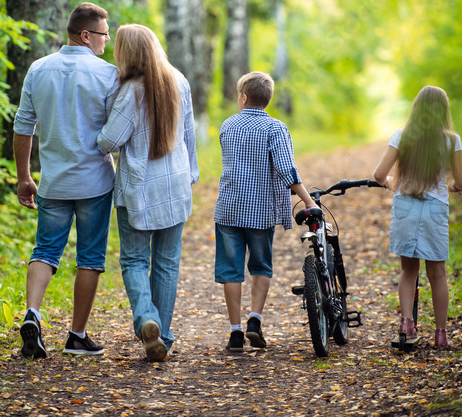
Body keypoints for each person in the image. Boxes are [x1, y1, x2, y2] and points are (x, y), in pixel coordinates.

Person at [13, 2, 119, 358]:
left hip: (54, 181)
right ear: (86, 35)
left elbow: (23, 127)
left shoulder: (38, 69)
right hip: (95, 181)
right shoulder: (107, 74)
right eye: (104, 34)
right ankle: (76, 336)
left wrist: (24, 176)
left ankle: (32, 313)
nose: (108, 41)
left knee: (44, 250)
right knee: (90, 257)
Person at [97, 25, 199, 362]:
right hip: (175, 184)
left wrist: (98, 136)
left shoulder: (131, 91)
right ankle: (163, 338)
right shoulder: (178, 81)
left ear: (128, 53)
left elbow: (110, 141)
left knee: (134, 260)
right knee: (167, 263)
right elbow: (189, 136)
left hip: (139, 189)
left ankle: (146, 319)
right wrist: (191, 176)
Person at [214, 71, 315, 352]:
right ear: (266, 100)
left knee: (230, 270)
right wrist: (308, 202)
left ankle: (235, 332)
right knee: (260, 266)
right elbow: (286, 170)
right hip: (260, 210)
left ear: (244, 98)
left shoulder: (228, 125)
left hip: (229, 208)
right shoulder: (275, 128)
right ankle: (254, 321)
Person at [371, 85, 462, 349]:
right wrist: (450, 185)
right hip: (434, 209)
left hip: (406, 205)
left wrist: (396, 182)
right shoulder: (451, 140)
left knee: (408, 270)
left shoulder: (402, 137)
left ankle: (406, 324)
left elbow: (379, 175)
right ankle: (441, 336)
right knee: (437, 274)